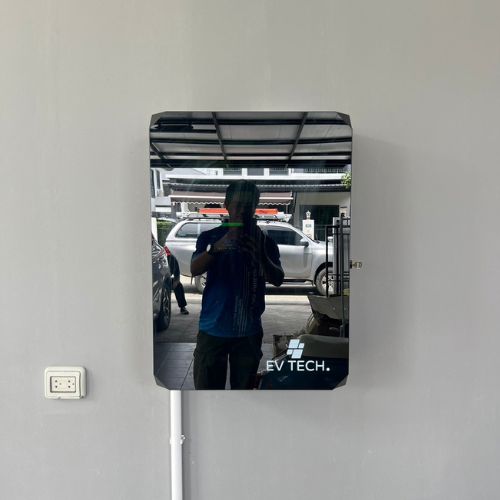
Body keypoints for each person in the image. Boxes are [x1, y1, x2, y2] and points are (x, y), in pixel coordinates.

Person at [191, 180, 284, 389]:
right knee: (207, 395)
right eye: (237, 204)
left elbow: (278, 279)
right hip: (212, 330)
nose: (242, 210)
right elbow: (194, 269)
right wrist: (217, 247)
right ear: (226, 204)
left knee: (243, 396)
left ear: (255, 206)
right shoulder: (210, 237)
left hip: (248, 332)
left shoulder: (265, 241)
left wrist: (261, 256)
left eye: (248, 205)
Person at [166, 247, 189, 315]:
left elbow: (176, 276)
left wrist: (175, 282)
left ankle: (182, 307)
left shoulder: (171, 258)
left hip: (166, 280)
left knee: (178, 286)